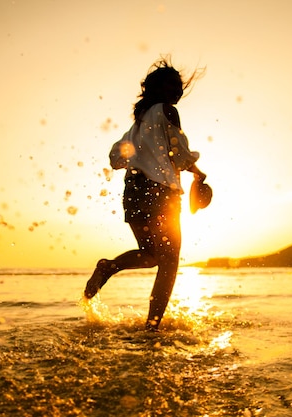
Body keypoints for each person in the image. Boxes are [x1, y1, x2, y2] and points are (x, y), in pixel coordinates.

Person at [84, 58, 207, 331]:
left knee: (151, 255)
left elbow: (116, 157)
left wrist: (142, 156)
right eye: (171, 85)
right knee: (170, 262)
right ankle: (152, 327)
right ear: (155, 88)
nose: (177, 91)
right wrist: (198, 173)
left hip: (133, 192)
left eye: (180, 86)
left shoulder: (137, 125)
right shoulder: (167, 111)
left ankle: (109, 266)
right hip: (159, 192)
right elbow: (179, 153)